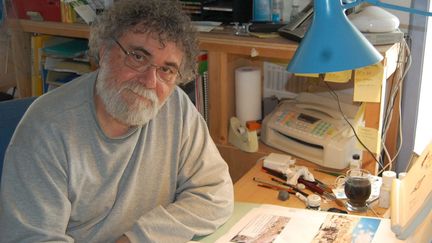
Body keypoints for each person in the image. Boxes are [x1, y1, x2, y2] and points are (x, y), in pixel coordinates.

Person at [0, 0, 234, 242]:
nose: (150, 81)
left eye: (167, 70)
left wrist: (138, 238)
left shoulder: (176, 107)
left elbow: (215, 193)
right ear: (103, 52)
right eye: (138, 57)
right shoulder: (47, 129)